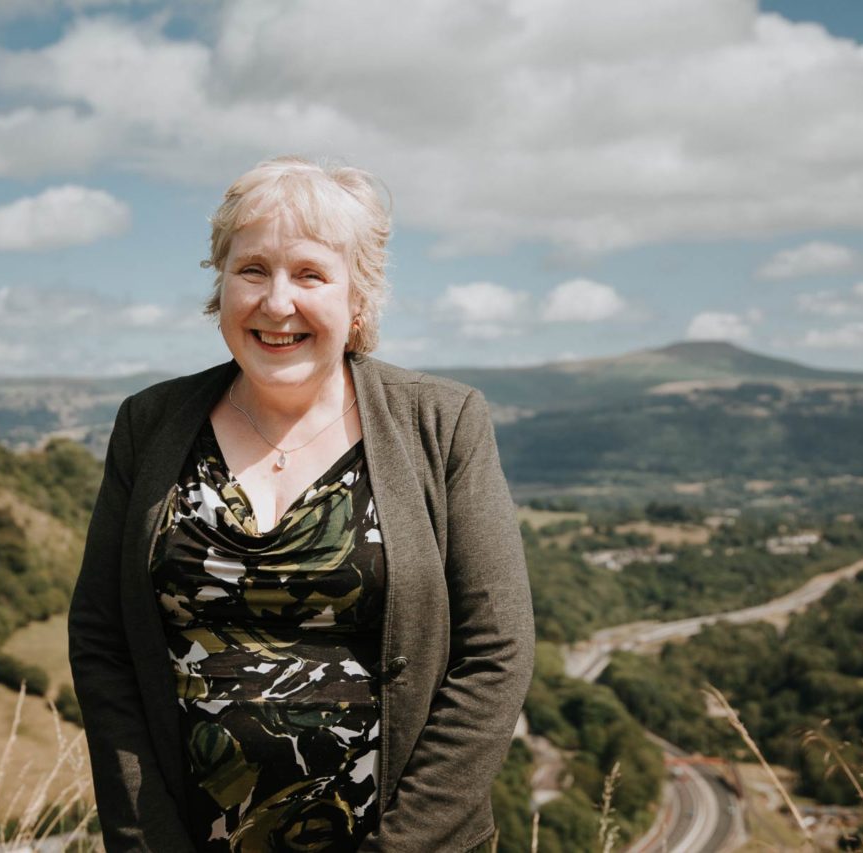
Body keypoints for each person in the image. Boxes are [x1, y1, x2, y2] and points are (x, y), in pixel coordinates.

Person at [69, 156, 533, 852]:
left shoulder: (443, 422)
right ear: (220, 284)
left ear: (358, 299)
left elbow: (496, 651)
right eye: (252, 269)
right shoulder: (150, 423)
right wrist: (147, 838)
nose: (276, 301)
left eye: (311, 274)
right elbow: (103, 641)